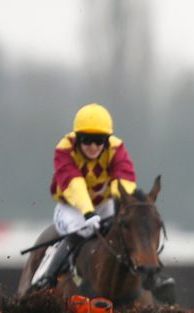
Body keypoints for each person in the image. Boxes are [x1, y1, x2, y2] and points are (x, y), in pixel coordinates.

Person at [30, 103, 175, 299]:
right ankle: (46, 275)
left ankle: (150, 275)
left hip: (104, 203)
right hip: (71, 206)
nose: (93, 147)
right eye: (87, 140)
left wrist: (122, 202)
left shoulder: (116, 148)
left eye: (99, 141)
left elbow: (123, 178)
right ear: (77, 139)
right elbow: (74, 183)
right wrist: (88, 212)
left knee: (129, 227)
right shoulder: (64, 149)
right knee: (82, 229)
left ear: (107, 140)